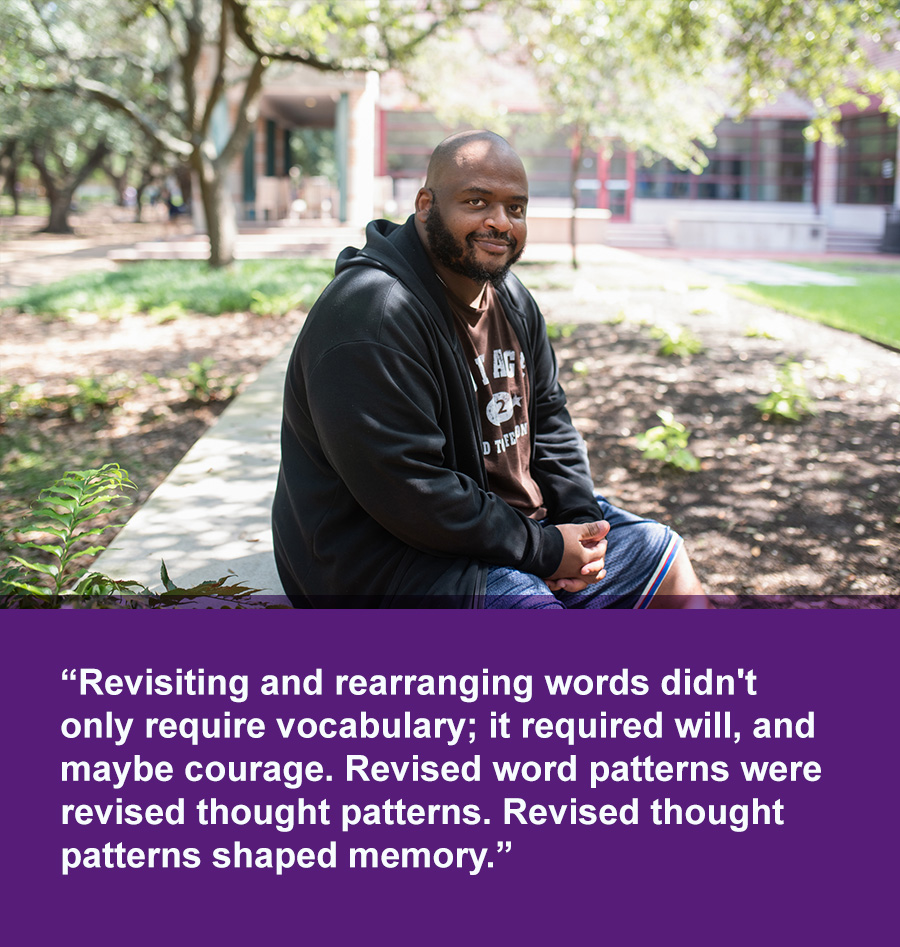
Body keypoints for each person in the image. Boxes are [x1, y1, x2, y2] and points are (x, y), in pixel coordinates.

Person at [272, 130, 709, 608]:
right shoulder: (370, 316)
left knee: (666, 560)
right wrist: (544, 552)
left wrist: (581, 531)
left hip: (508, 530)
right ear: (425, 205)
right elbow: (412, 492)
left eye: (515, 208)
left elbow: (550, 421)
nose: (500, 222)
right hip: (386, 563)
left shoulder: (512, 299)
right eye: (477, 201)